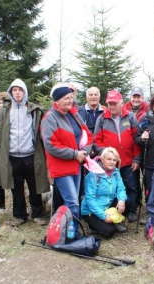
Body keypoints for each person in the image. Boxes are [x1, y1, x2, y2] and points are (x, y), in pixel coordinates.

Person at [0, 79, 49, 226]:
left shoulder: (33, 110)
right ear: (11, 93)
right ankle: (20, 215)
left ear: (24, 92)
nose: (17, 93)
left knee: (34, 186)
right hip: (12, 156)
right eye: (14, 90)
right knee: (16, 187)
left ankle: (37, 214)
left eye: (20, 90)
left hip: (30, 155)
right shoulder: (5, 110)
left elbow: (41, 133)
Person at [41, 86, 93, 238]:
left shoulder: (75, 115)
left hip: (77, 164)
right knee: (72, 203)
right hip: (61, 168)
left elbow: (88, 135)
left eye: (71, 97)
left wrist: (85, 152)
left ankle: (70, 230)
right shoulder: (50, 118)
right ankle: (72, 234)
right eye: (66, 98)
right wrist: (74, 154)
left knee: (74, 200)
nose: (71, 100)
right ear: (57, 100)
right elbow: (50, 145)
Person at [93, 89, 141, 223]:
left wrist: (137, 158)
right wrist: (106, 154)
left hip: (128, 161)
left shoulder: (130, 117)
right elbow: (96, 140)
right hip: (110, 163)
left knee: (131, 186)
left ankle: (131, 212)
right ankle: (111, 210)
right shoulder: (102, 118)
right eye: (110, 103)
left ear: (122, 103)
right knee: (111, 188)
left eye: (115, 103)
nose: (112, 106)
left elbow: (137, 139)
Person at [81, 147, 131, 237]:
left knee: (127, 201)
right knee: (109, 232)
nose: (112, 162)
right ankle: (91, 225)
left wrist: (121, 200)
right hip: (91, 211)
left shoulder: (116, 172)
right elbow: (90, 200)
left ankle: (115, 221)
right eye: (109, 159)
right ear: (102, 159)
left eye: (114, 160)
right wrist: (103, 216)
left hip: (107, 205)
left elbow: (121, 188)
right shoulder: (92, 175)